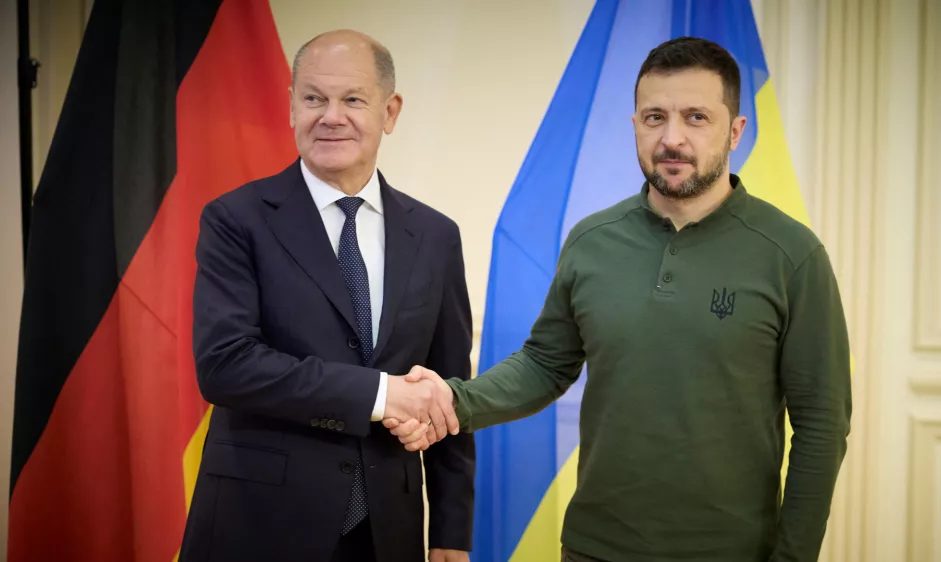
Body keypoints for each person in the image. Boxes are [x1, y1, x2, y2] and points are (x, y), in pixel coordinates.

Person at [387, 37, 852, 562]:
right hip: (593, 547)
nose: (671, 138)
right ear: (635, 124)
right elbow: (545, 363)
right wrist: (453, 400)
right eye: (655, 117)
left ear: (736, 131)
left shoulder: (792, 255)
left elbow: (821, 426)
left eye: (696, 117)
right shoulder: (592, 240)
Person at [180, 30, 473, 562]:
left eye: (353, 100)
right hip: (260, 524)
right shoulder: (234, 220)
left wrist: (452, 532)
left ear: (390, 111)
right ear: (291, 105)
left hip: (390, 530)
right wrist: (382, 395)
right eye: (314, 98)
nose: (331, 116)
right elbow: (225, 365)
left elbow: (448, 389)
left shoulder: (435, 234)